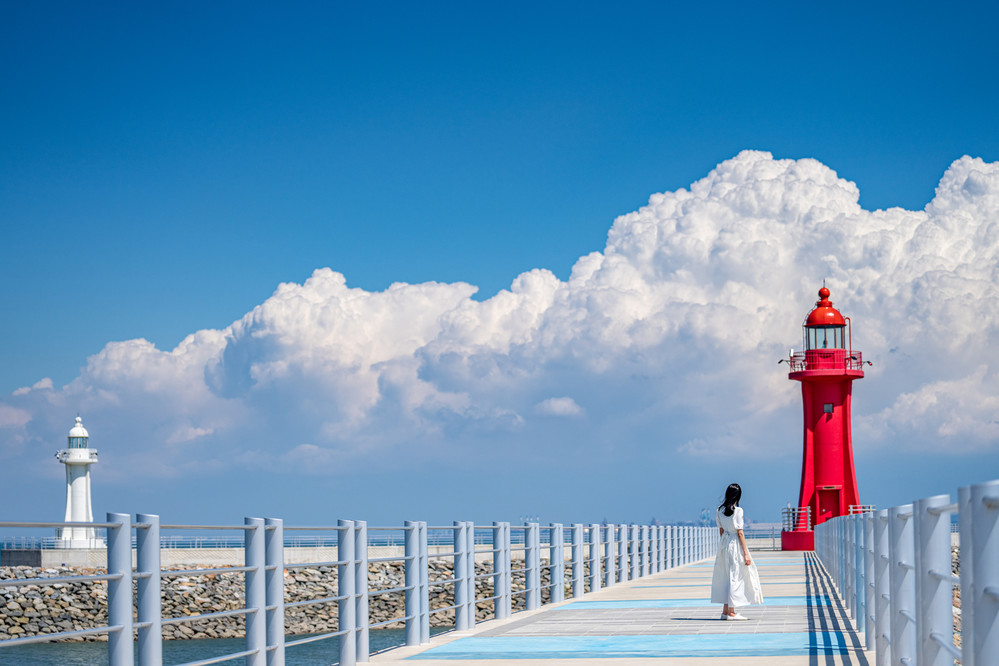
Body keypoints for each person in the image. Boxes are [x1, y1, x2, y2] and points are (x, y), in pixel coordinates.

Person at [710, 483, 763, 619]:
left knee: (726, 576)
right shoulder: (738, 511)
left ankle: (725, 611)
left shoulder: (719, 510)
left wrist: (724, 544)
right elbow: (740, 533)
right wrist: (745, 553)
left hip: (724, 545)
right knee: (736, 576)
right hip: (735, 544)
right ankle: (732, 612)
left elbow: (721, 531)